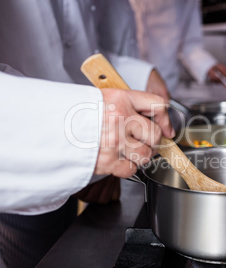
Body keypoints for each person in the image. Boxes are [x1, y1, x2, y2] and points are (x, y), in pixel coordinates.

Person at [0, 1, 173, 267]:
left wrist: (140, 76)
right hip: (15, 179)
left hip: (72, 171)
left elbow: (74, 56)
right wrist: (89, 129)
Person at [104, 0, 226, 93]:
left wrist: (207, 65)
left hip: (165, 86)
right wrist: (143, 75)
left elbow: (189, 44)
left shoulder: (186, 3)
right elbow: (92, 49)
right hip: (117, 87)